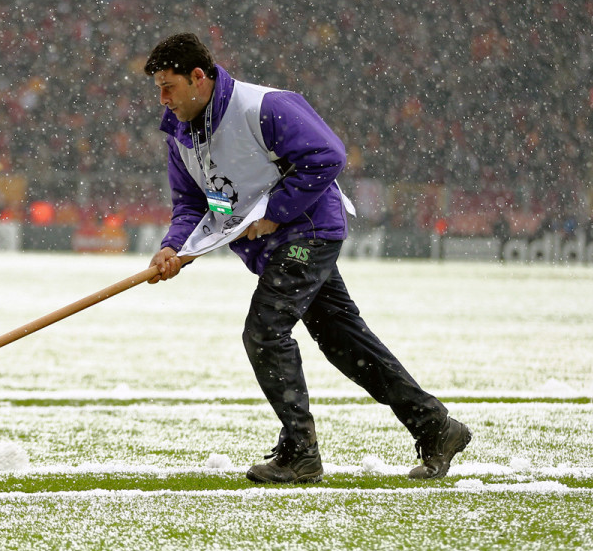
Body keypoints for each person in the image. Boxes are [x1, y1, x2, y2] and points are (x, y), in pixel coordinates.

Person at [143, 33, 471, 484]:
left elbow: (328, 155)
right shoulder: (179, 136)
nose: (163, 99)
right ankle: (437, 427)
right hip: (273, 247)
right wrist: (173, 249)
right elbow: (190, 205)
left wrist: (277, 213)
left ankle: (300, 453)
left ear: (198, 77)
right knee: (345, 343)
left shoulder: (264, 106)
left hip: (308, 233)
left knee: (264, 331)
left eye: (168, 87)